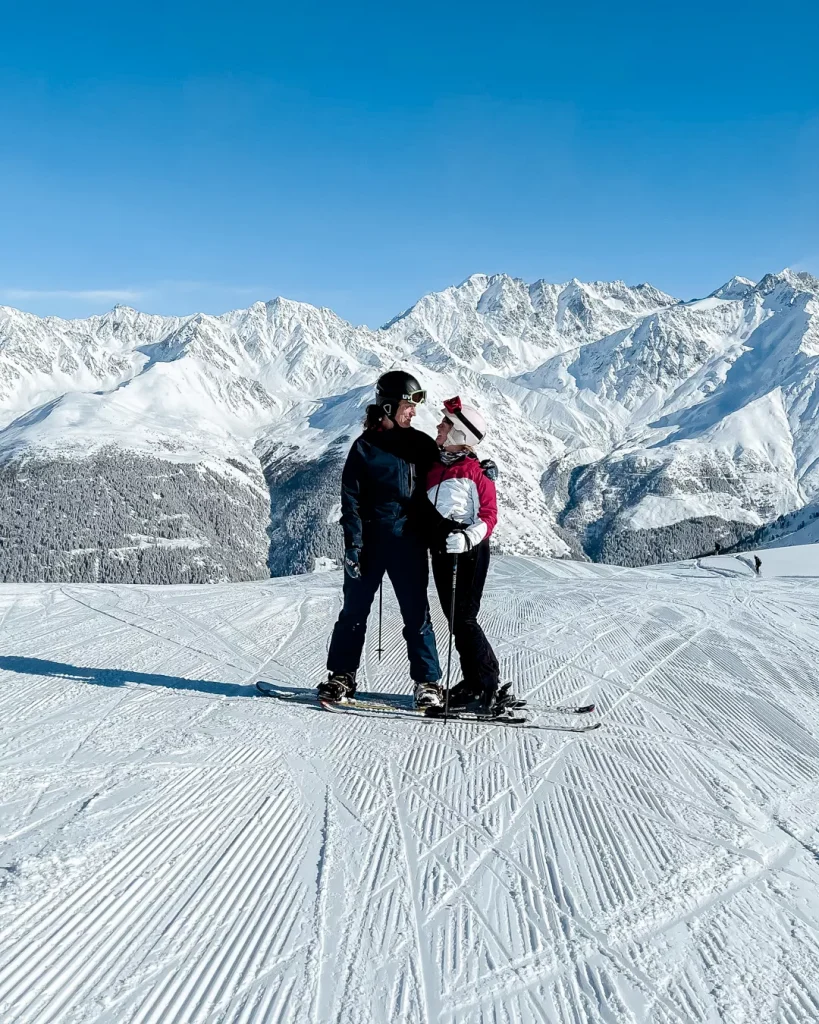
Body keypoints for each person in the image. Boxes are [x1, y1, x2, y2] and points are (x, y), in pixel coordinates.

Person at [322, 370, 452, 708]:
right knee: (353, 612)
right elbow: (349, 498)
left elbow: (449, 472)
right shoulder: (365, 448)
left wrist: (480, 469)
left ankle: (427, 682)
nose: (414, 411)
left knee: (416, 613)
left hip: (409, 542)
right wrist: (353, 544)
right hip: (370, 543)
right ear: (390, 405)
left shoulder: (422, 444)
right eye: (409, 405)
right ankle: (342, 676)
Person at [426, 396, 520, 715]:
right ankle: (474, 682)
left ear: (459, 434)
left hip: (469, 551)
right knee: (455, 620)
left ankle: (485, 684)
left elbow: (490, 515)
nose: (439, 426)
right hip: (441, 551)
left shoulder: (476, 471)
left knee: (464, 618)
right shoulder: (433, 465)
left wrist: (467, 537)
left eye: (446, 424)